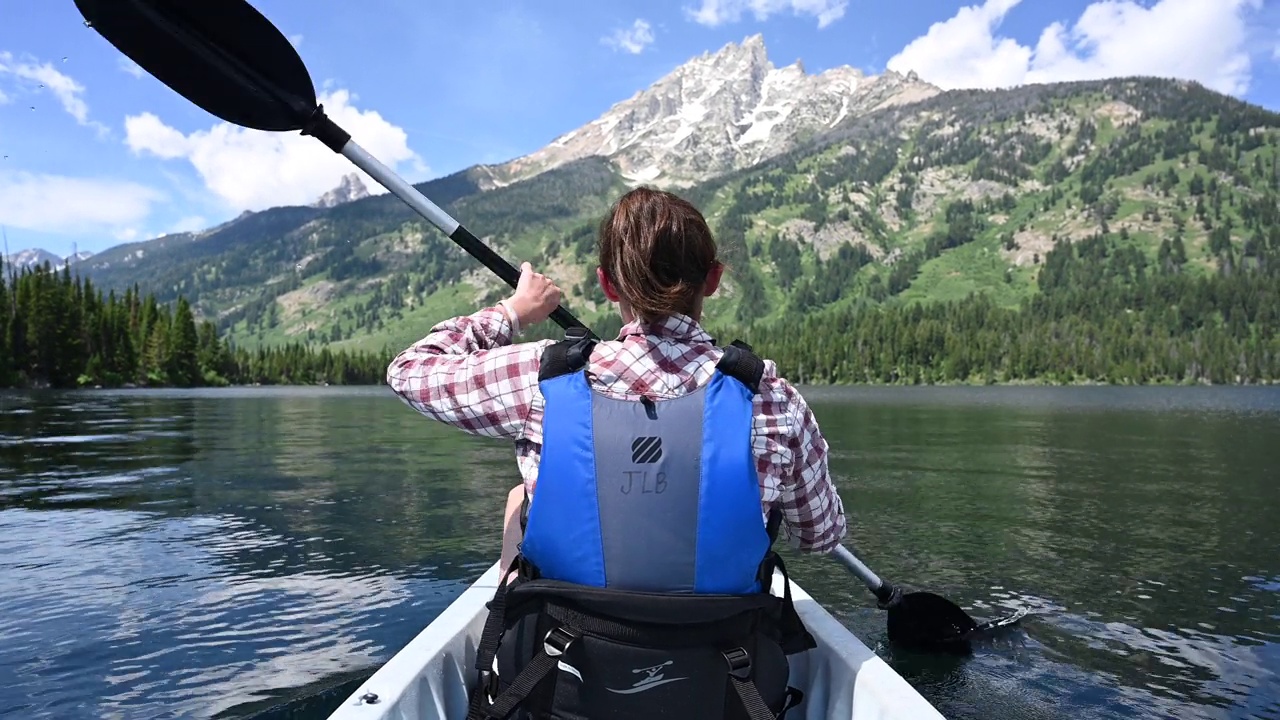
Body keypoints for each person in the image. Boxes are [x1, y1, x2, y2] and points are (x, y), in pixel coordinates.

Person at [387, 186, 846, 720]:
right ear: (713, 280)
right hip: (724, 680)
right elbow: (822, 535)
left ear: (607, 284)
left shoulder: (542, 376)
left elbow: (409, 369)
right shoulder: (773, 398)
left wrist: (512, 311)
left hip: (563, 675)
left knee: (520, 499)